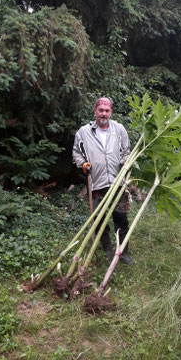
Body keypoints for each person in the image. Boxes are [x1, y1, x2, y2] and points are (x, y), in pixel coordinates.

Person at [72, 97, 133, 265]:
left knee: (121, 218)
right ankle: (107, 249)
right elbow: (76, 153)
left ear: (111, 112)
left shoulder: (119, 129)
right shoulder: (84, 132)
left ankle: (124, 252)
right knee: (99, 219)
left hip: (117, 183)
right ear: (95, 111)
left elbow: (126, 151)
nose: (104, 114)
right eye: (101, 110)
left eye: (107, 111)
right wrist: (82, 164)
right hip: (97, 183)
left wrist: (125, 162)